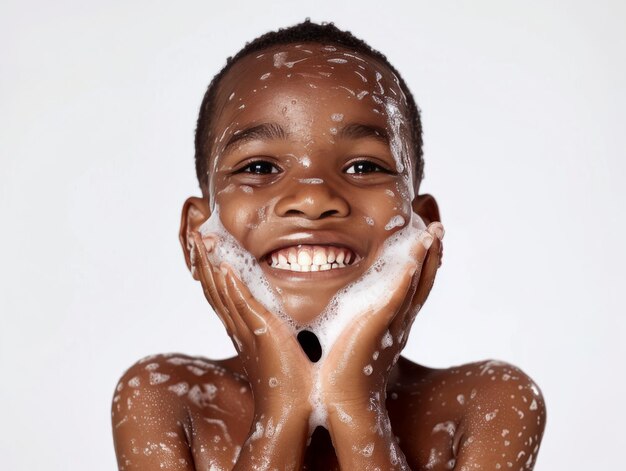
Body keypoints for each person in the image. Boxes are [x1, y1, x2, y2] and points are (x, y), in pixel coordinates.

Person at [111, 20, 546, 470]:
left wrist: (354, 404)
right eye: (259, 167)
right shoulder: (166, 398)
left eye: (363, 167)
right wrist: (282, 408)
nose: (314, 197)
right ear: (196, 235)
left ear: (425, 225)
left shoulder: (488, 402)